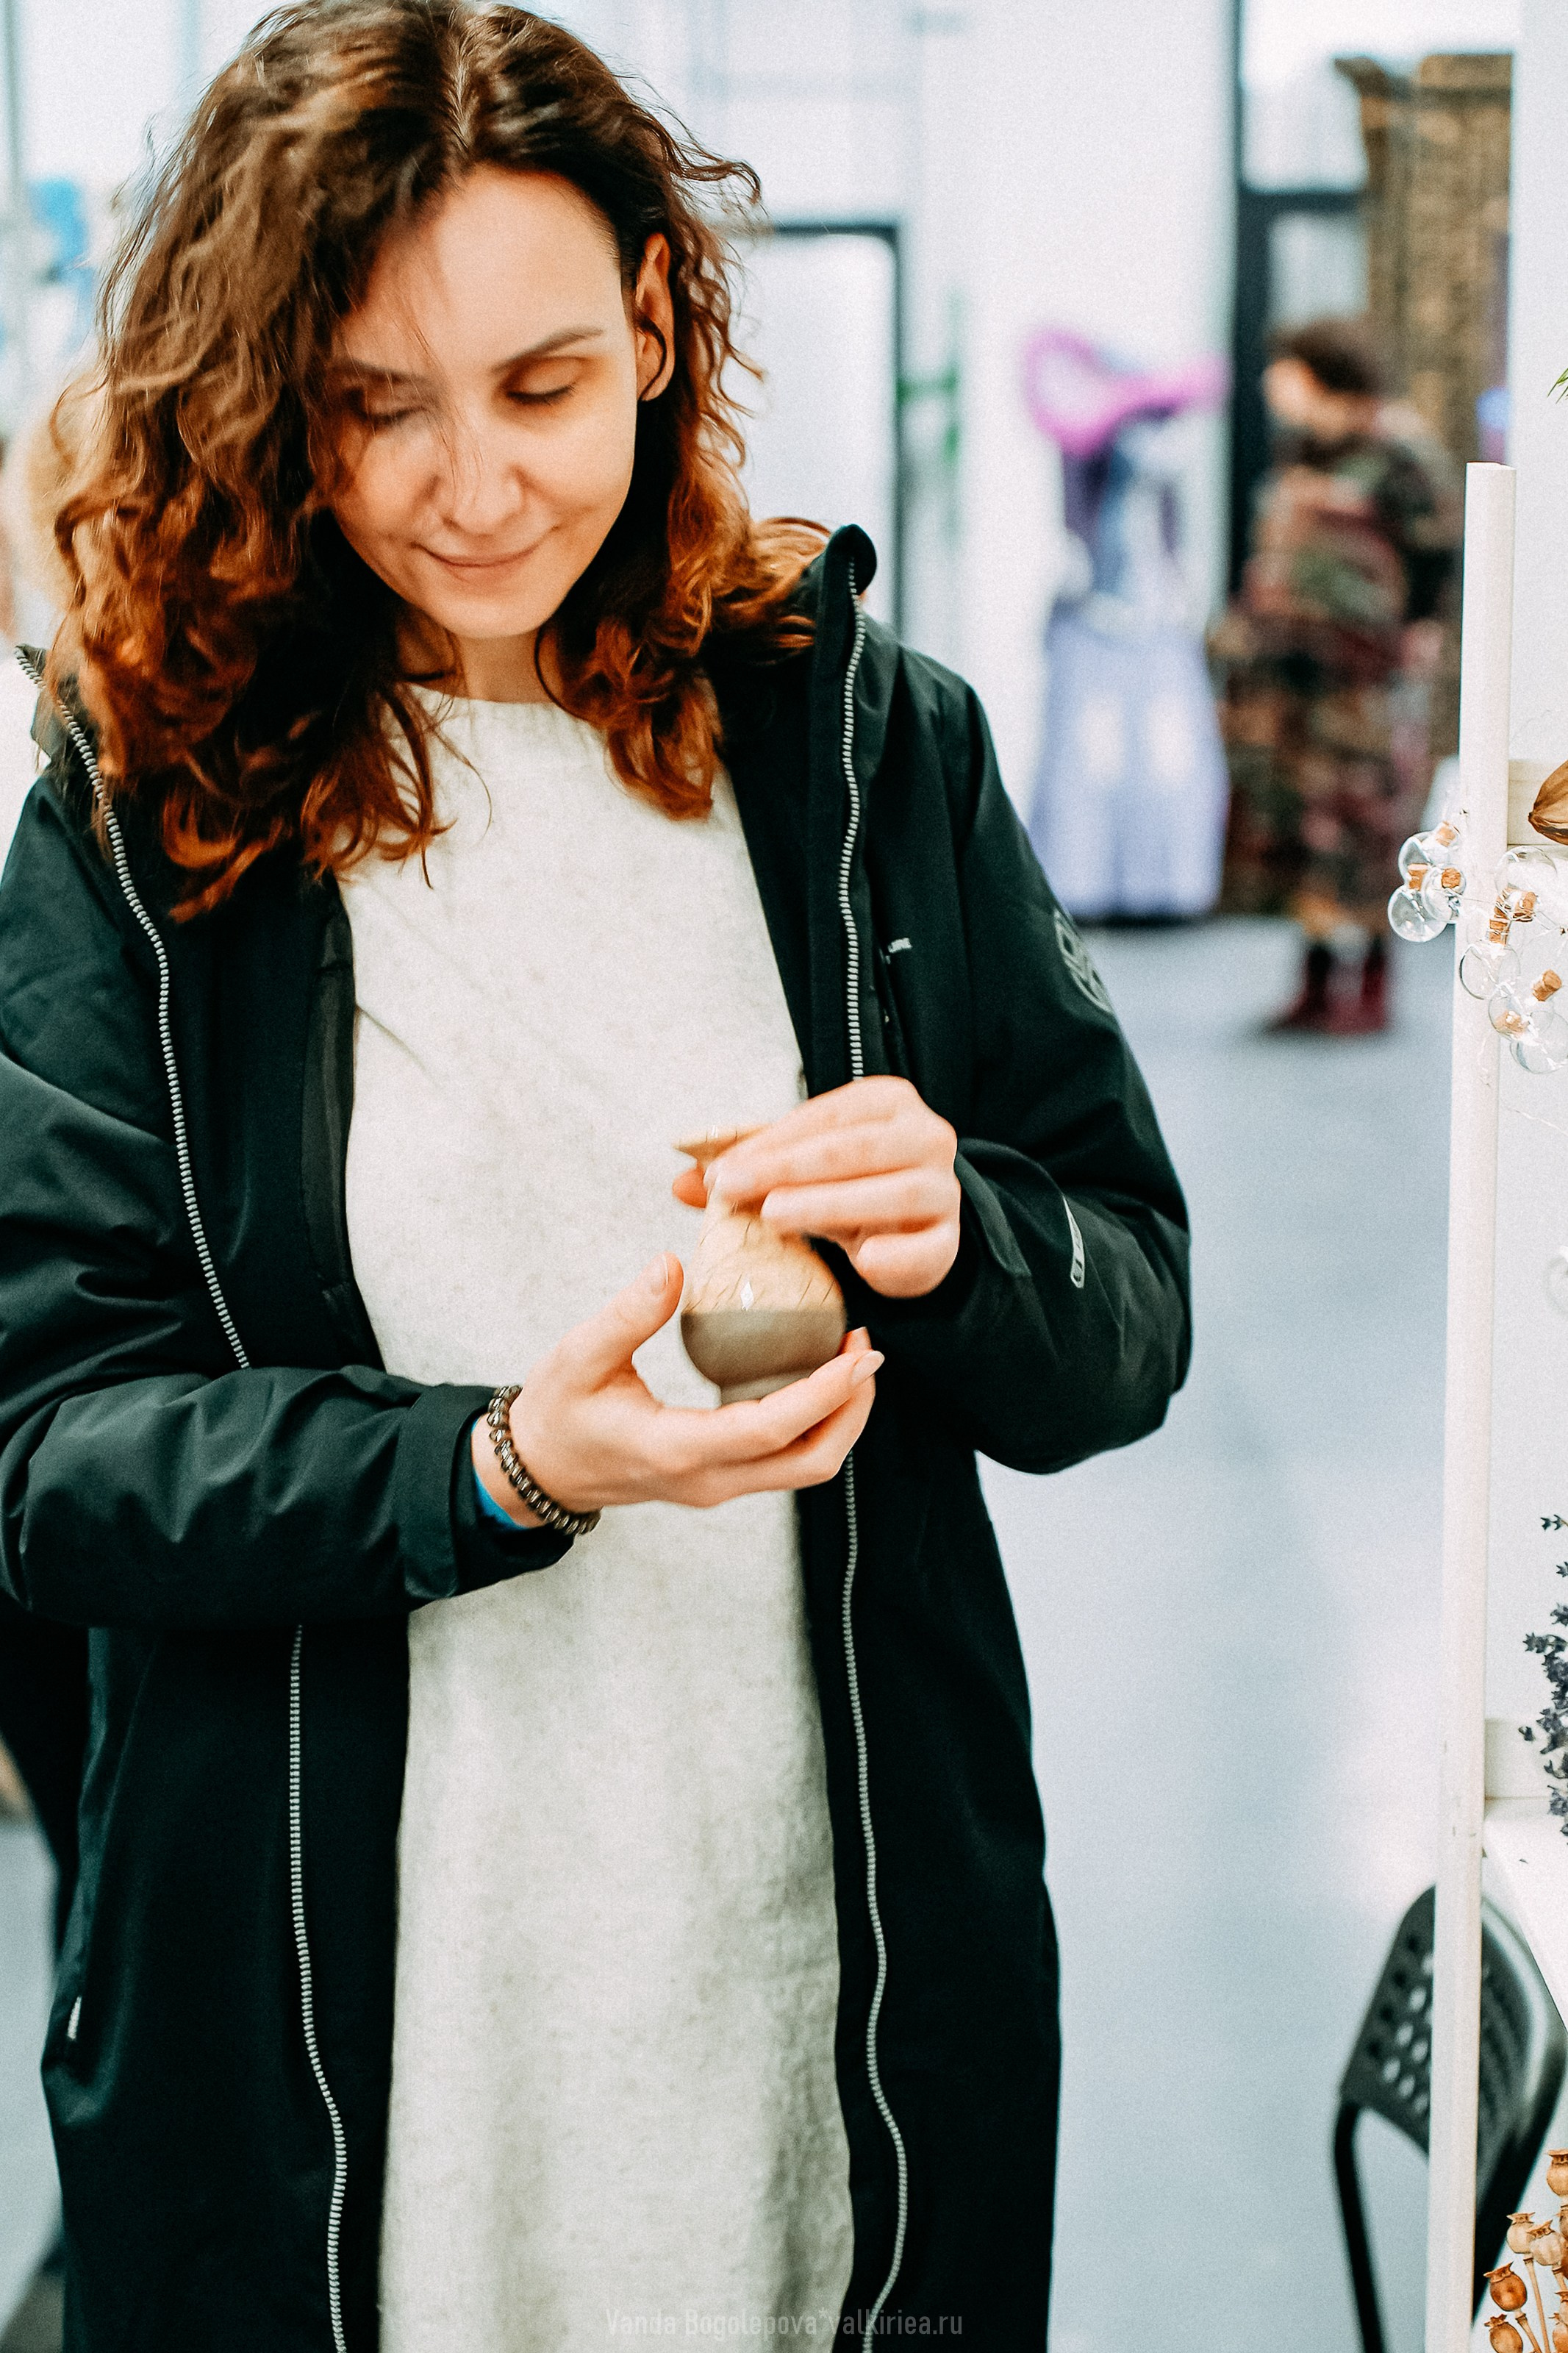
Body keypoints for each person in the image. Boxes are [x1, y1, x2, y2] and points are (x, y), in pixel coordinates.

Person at [0, 5, 1191, 2346]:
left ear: (655, 321)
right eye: (373, 406)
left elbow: (1126, 1305)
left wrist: (965, 1239)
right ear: (268, 402)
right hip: (342, 2030)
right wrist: (502, 1463)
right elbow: (50, 1448)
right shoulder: (151, 822)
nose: (470, 487)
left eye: (541, 385)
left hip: (811, 1979)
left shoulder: (866, 747)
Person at [1211, 315, 1461, 1032]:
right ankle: (1317, 983)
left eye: (1284, 368)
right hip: (1289, 680)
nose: (1271, 384)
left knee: (1368, 824)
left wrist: (1416, 635)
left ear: (1320, 373)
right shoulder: (1304, 451)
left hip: (1362, 682)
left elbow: (1437, 552)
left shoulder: (1398, 452)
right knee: (1300, 826)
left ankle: (1375, 986)